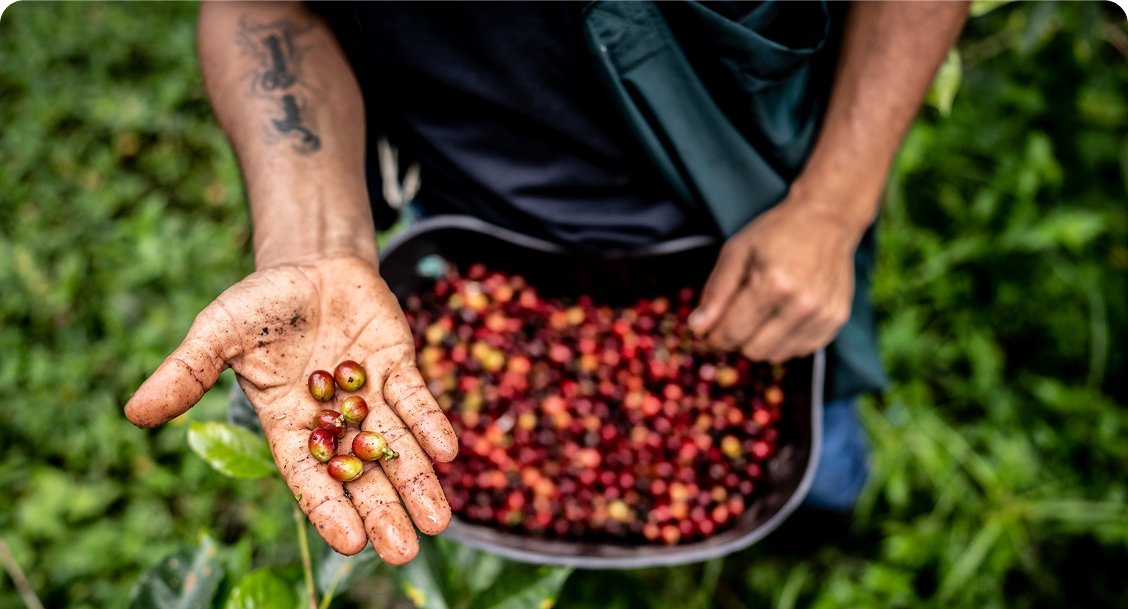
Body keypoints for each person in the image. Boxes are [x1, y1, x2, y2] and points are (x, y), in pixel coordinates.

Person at [125, 1, 969, 566]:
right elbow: (267, 8)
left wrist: (834, 205)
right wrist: (316, 241)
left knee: (813, 456)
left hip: (753, 221)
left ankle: (815, 539)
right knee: (450, 464)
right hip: (471, 218)